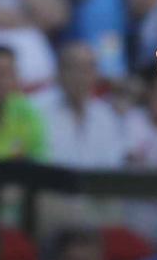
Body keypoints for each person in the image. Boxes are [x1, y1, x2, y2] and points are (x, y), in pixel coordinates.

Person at [39, 40, 125, 168]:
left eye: (88, 70)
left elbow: (114, 164)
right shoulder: (39, 111)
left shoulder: (106, 116)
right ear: (60, 72)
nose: (81, 77)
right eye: (75, 69)